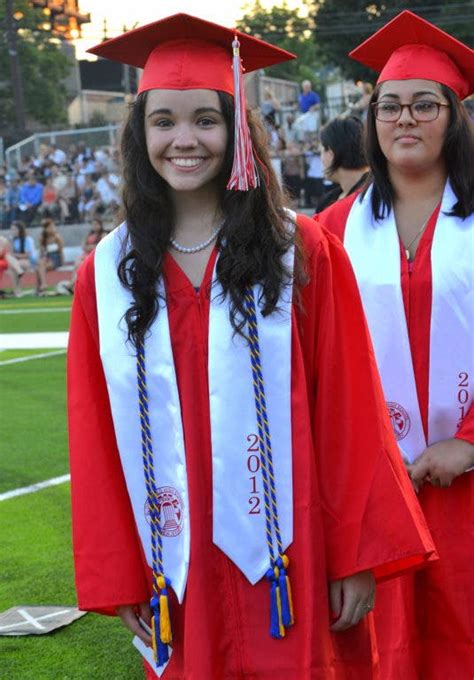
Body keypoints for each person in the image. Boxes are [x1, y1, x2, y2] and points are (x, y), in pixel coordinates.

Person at [68, 14, 435, 680]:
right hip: (175, 564)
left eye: (206, 120)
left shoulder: (302, 252)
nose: (185, 140)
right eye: (165, 121)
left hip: (292, 551)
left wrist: (355, 553)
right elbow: (93, 431)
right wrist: (123, 568)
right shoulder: (111, 272)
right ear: (138, 133)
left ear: (238, 131)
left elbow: (351, 411)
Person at [316, 11, 474, 679]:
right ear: (372, 121)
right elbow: (312, 363)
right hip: (374, 495)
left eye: (425, 104)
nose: (406, 119)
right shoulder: (328, 232)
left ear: (455, 117)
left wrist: (469, 438)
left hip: (467, 486)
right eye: (390, 106)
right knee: (386, 656)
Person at [315, 116, 369, 212]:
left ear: (331, 154)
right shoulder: (327, 202)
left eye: (322, 151)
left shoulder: (374, 197)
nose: (321, 159)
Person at [10, 220, 38, 296]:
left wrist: (16, 256)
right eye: (12, 229)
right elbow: (11, 253)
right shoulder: (13, 240)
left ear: (20, 230)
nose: (13, 231)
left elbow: (28, 255)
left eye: (14, 229)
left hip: (30, 261)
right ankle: (17, 290)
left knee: (13, 266)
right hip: (18, 262)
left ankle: (17, 290)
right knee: (12, 267)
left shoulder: (27, 239)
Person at [36, 218, 64, 294]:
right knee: (40, 265)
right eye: (50, 227)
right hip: (47, 259)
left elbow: (61, 251)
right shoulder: (43, 239)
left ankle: (41, 286)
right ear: (45, 229)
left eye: (53, 227)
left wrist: (63, 261)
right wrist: (41, 259)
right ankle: (42, 286)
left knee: (40, 267)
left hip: (56, 258)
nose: (52, 229)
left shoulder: (57, 237)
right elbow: (41, 252)